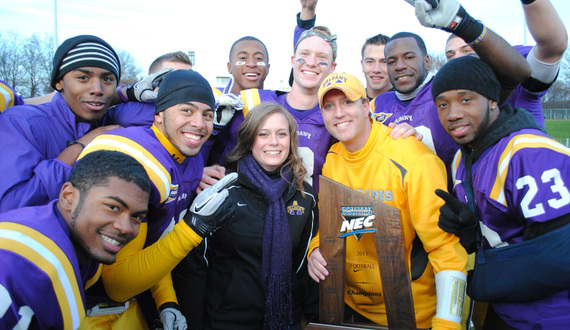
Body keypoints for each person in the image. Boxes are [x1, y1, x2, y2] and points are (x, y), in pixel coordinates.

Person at [308, 72, 468, 329]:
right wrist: (316, 247)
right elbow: (332, 222)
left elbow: (445, 250)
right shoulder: (334, 157)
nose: (338, 113)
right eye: (329, 106)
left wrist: (448, 322)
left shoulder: (411, 157)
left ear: (365, 106)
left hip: (412, 315)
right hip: (349, 310)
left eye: (347, 102)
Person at [78, 69, 233, 330]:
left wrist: (166, 300)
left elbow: (153, 241)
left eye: (207, 114)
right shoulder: (136, 160)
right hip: (85, 310)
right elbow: (115, 283)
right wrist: (193, 230)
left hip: (128, 306)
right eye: (187, 110)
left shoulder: (190, 159)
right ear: (159, 115)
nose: (199, 123)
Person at [432, 55, 570, 329]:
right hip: (508, 312)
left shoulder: (527, 152)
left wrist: (486, 276)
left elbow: (560, 256)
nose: (453, 113)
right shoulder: (464, 158)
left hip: (554, 316)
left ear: (492, 99)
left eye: (466, 99)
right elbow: (508, 238)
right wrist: (473, 233)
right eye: (443, 104)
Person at [199, 103, 319, 329]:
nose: (273, 142)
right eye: (263, 134)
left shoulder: (305, 196)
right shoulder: (224, 190)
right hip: (226, 319)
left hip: (286, 319)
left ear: (291, 140)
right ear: (249, 140)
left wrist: (317, 320)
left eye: (281, 134)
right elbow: (197, 266)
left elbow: (306, 268)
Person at [0, 150, 151, 329]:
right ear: (68, 197)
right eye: (113, 207)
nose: (125, 227)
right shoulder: (27, 259)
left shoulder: (80, 248)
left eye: (137, 217)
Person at [0, 35, 127, 212]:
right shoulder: (20, 122)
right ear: (59, 82)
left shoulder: (112, 119)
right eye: (83, 77)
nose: (97, 89)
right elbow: (11, 206)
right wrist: (81, 145)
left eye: (107, 79)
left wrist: (127, 94)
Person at [444, 0, 567, 128]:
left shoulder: (517, 84)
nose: (457, 58)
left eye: (467, 50)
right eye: (450, 55)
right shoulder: (448, 100)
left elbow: (553, 46)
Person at [361, 33, 392, 100]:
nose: (376, 70)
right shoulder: (352, 102)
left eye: (384, 62)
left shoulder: (408, 104)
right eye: (370, 62)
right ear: (362, 65)